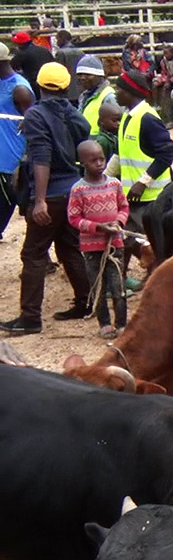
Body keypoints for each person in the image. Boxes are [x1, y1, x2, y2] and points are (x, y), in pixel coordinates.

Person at [0, 63, 91, 335]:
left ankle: (30, 317)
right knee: (70, 247)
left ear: (39, 85)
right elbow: (82, 140)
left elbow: (41, 159)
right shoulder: (75, 116)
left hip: (50, 193)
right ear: (65, 86)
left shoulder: (36, 116)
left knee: (34, 253)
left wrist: (39, 200)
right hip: (73, 190)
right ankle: (85, 302)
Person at [114, 70, 173, 291]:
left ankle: (159, 278)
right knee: (131, 238)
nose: (116, 92)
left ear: (130, 92)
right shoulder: (128, 118)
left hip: (152, 196)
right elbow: (122, 154)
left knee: (139, 239)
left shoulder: (147, 119)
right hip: (132, 194)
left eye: (119, 88)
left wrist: (144, 182)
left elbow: (167, 153)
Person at [68, 139, 129, 339]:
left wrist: (118, 223)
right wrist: (97, 227)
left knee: (118, 286)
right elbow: (74, 218)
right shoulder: (79, 190)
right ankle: (104, 323)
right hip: (92, 248)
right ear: (82, 163)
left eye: (102, 159)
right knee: (98, 288)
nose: (100, 163)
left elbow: (124, 207)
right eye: (93, 160)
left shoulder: (114, 184)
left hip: (115, 245)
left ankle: (122, 324)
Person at [0, 45, 33, 242]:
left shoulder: (20, 89)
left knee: (11, 202)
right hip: (2, 156)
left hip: (13, 159)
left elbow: (32, 123)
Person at [75, 56, 118, 136]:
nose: (83, 78)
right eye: (80, 74)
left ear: (100, 75)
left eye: (88, 74)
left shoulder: (109, 97)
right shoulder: (83, 96)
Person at [11, 32, 54, 100]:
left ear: (21, 44)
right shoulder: (44, 50)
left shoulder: (22, 54)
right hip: (50, 82)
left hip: (34, 84)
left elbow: (12, 67)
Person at [52, 31, 85, 102]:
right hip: (80, 90)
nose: (57, 43)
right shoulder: (80, 52)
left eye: (57, 39)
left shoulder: (61, 53)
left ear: (62, 39)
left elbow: (58, 73)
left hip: (67, 91)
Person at [153, 45, 173, 122]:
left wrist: (170, 81)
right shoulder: (163, 61)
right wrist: (165, 80)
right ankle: (157, 105)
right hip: (167, 78)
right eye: (164, 53)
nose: (165, 55)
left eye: (167, 53)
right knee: (155, 84)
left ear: (172, 53)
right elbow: (164, 73)